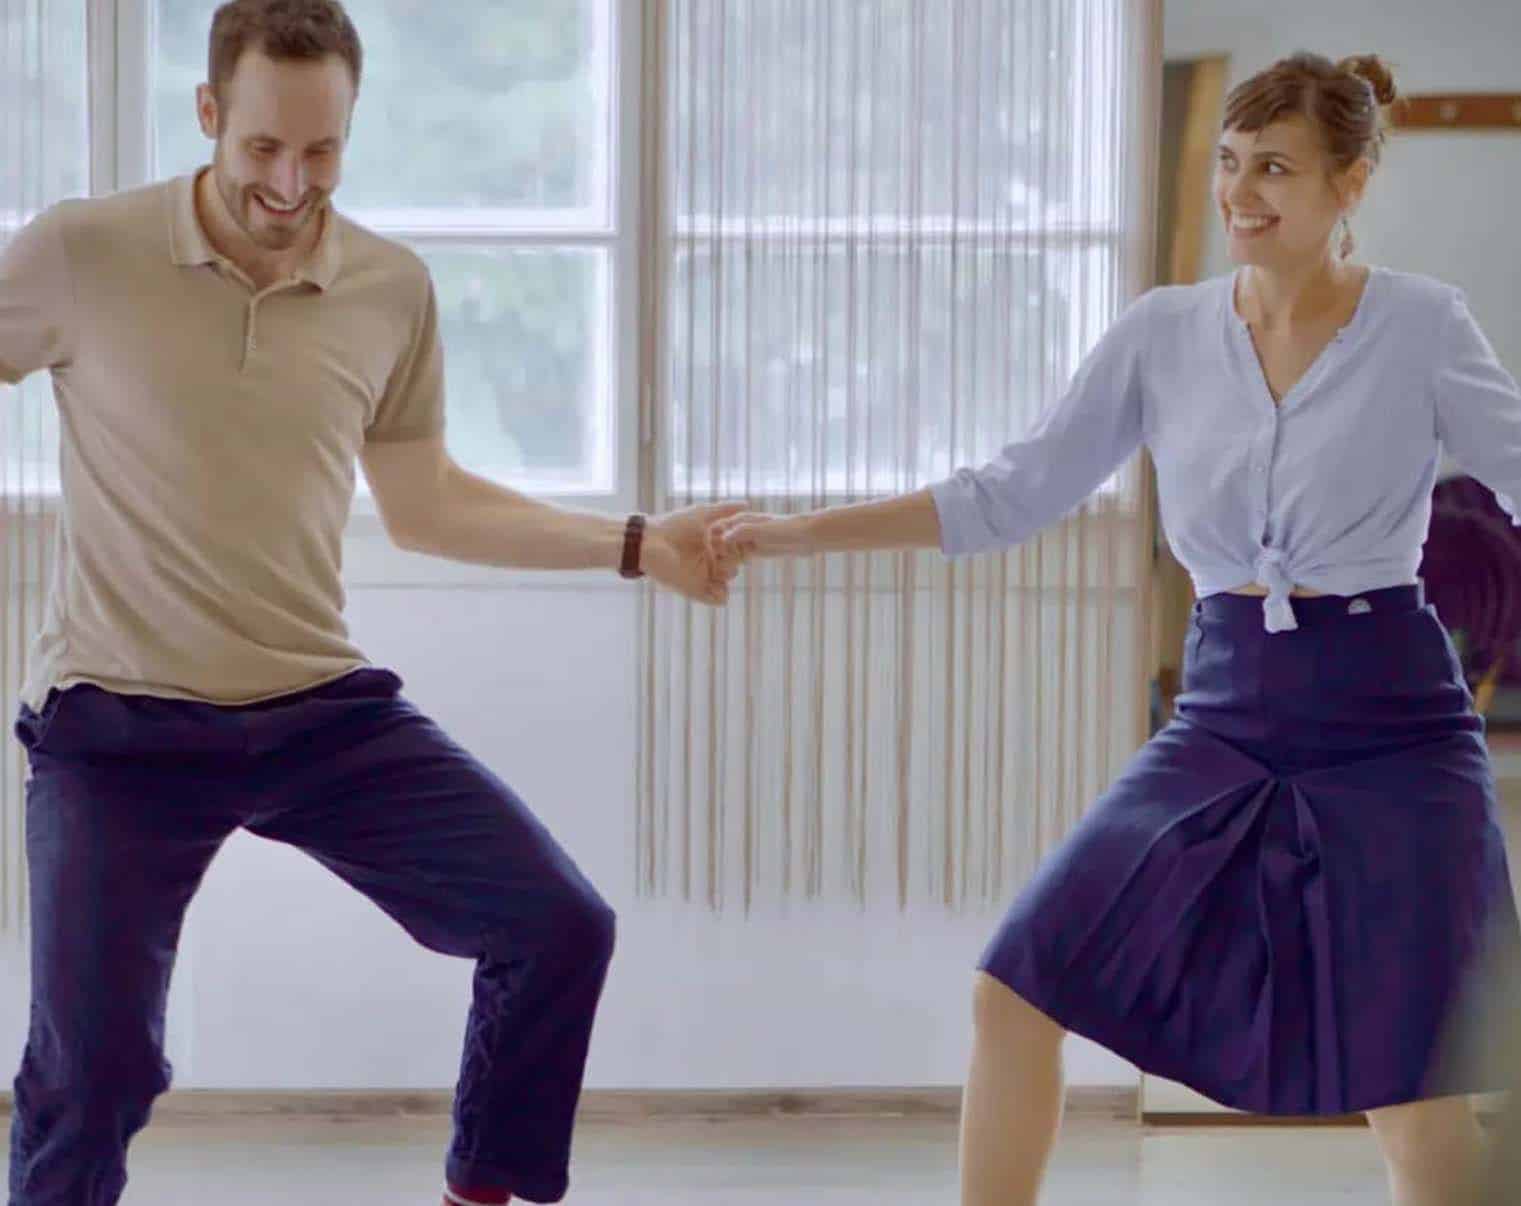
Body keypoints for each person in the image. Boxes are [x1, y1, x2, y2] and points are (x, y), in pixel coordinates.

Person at [714, 51, 1521, 1206]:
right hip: (1225, 717)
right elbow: (1011, 493)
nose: (1240, 191)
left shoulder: (1422, 326)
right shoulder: (1163, 334)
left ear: (1351, 181)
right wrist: (799, 533)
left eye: (1275, 168)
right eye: (1230, 163)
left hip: (1394, 731)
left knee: (1417, 1090)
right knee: (1015, 990)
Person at [0, 2, 740, 1203]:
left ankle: (479, 1192)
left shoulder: (389, 289)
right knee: (97, 1069)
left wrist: (638, 543)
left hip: (314, 710)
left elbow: (429, 505)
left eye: (322, 150)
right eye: (261, 148)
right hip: (116, 721)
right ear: (208, 114)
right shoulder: (84, 253)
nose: (290, 183)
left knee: (556, 925)